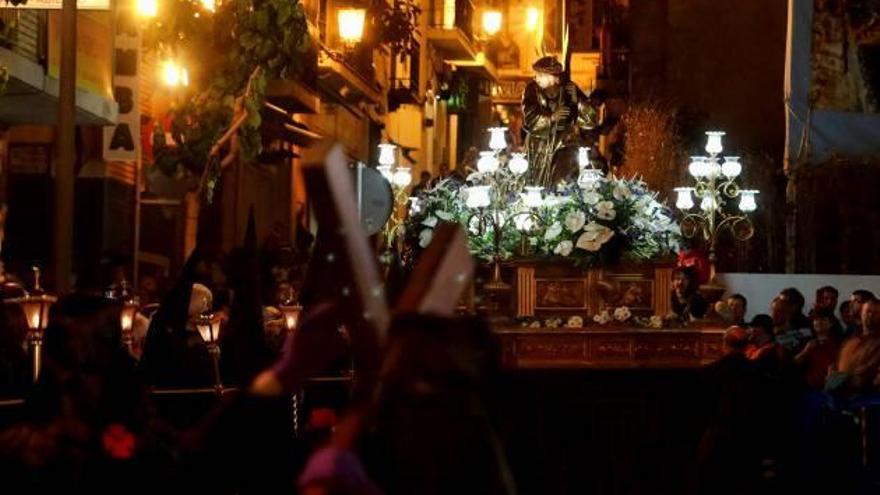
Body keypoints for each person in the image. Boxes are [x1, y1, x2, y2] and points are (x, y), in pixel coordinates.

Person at [521, 55, 597, 187]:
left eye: (540, 75)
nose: (536, 78)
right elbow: (529, 119)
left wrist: (578, 101)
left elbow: (590, 120)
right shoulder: (531, 90)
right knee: (537, 185)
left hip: (565, 144)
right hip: (540, 146)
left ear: (551, 76)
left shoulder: (569, 89)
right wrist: (551, 118)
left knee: (562, 183)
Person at [830, 299, 880, 397]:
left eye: (876, 313)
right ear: (861, 313)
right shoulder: (849, 340)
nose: (871, 315)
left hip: (868, 399)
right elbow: (837, 364)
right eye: (868, 311)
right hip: (840, 396)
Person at [794, 309, 841, 390]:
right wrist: (805, 351)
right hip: (809, 390)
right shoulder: (805, 342)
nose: (819, 322)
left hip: (831, 389)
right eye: (816, 319)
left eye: (823, 319)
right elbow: (792, 365)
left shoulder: (838, 344)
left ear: (831, 323)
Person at [771, 288, 812, 354]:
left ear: (794, 306)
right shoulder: (774, 321)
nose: (778, 303)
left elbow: (801, 344)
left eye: (783, 302)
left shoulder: (804, 323)